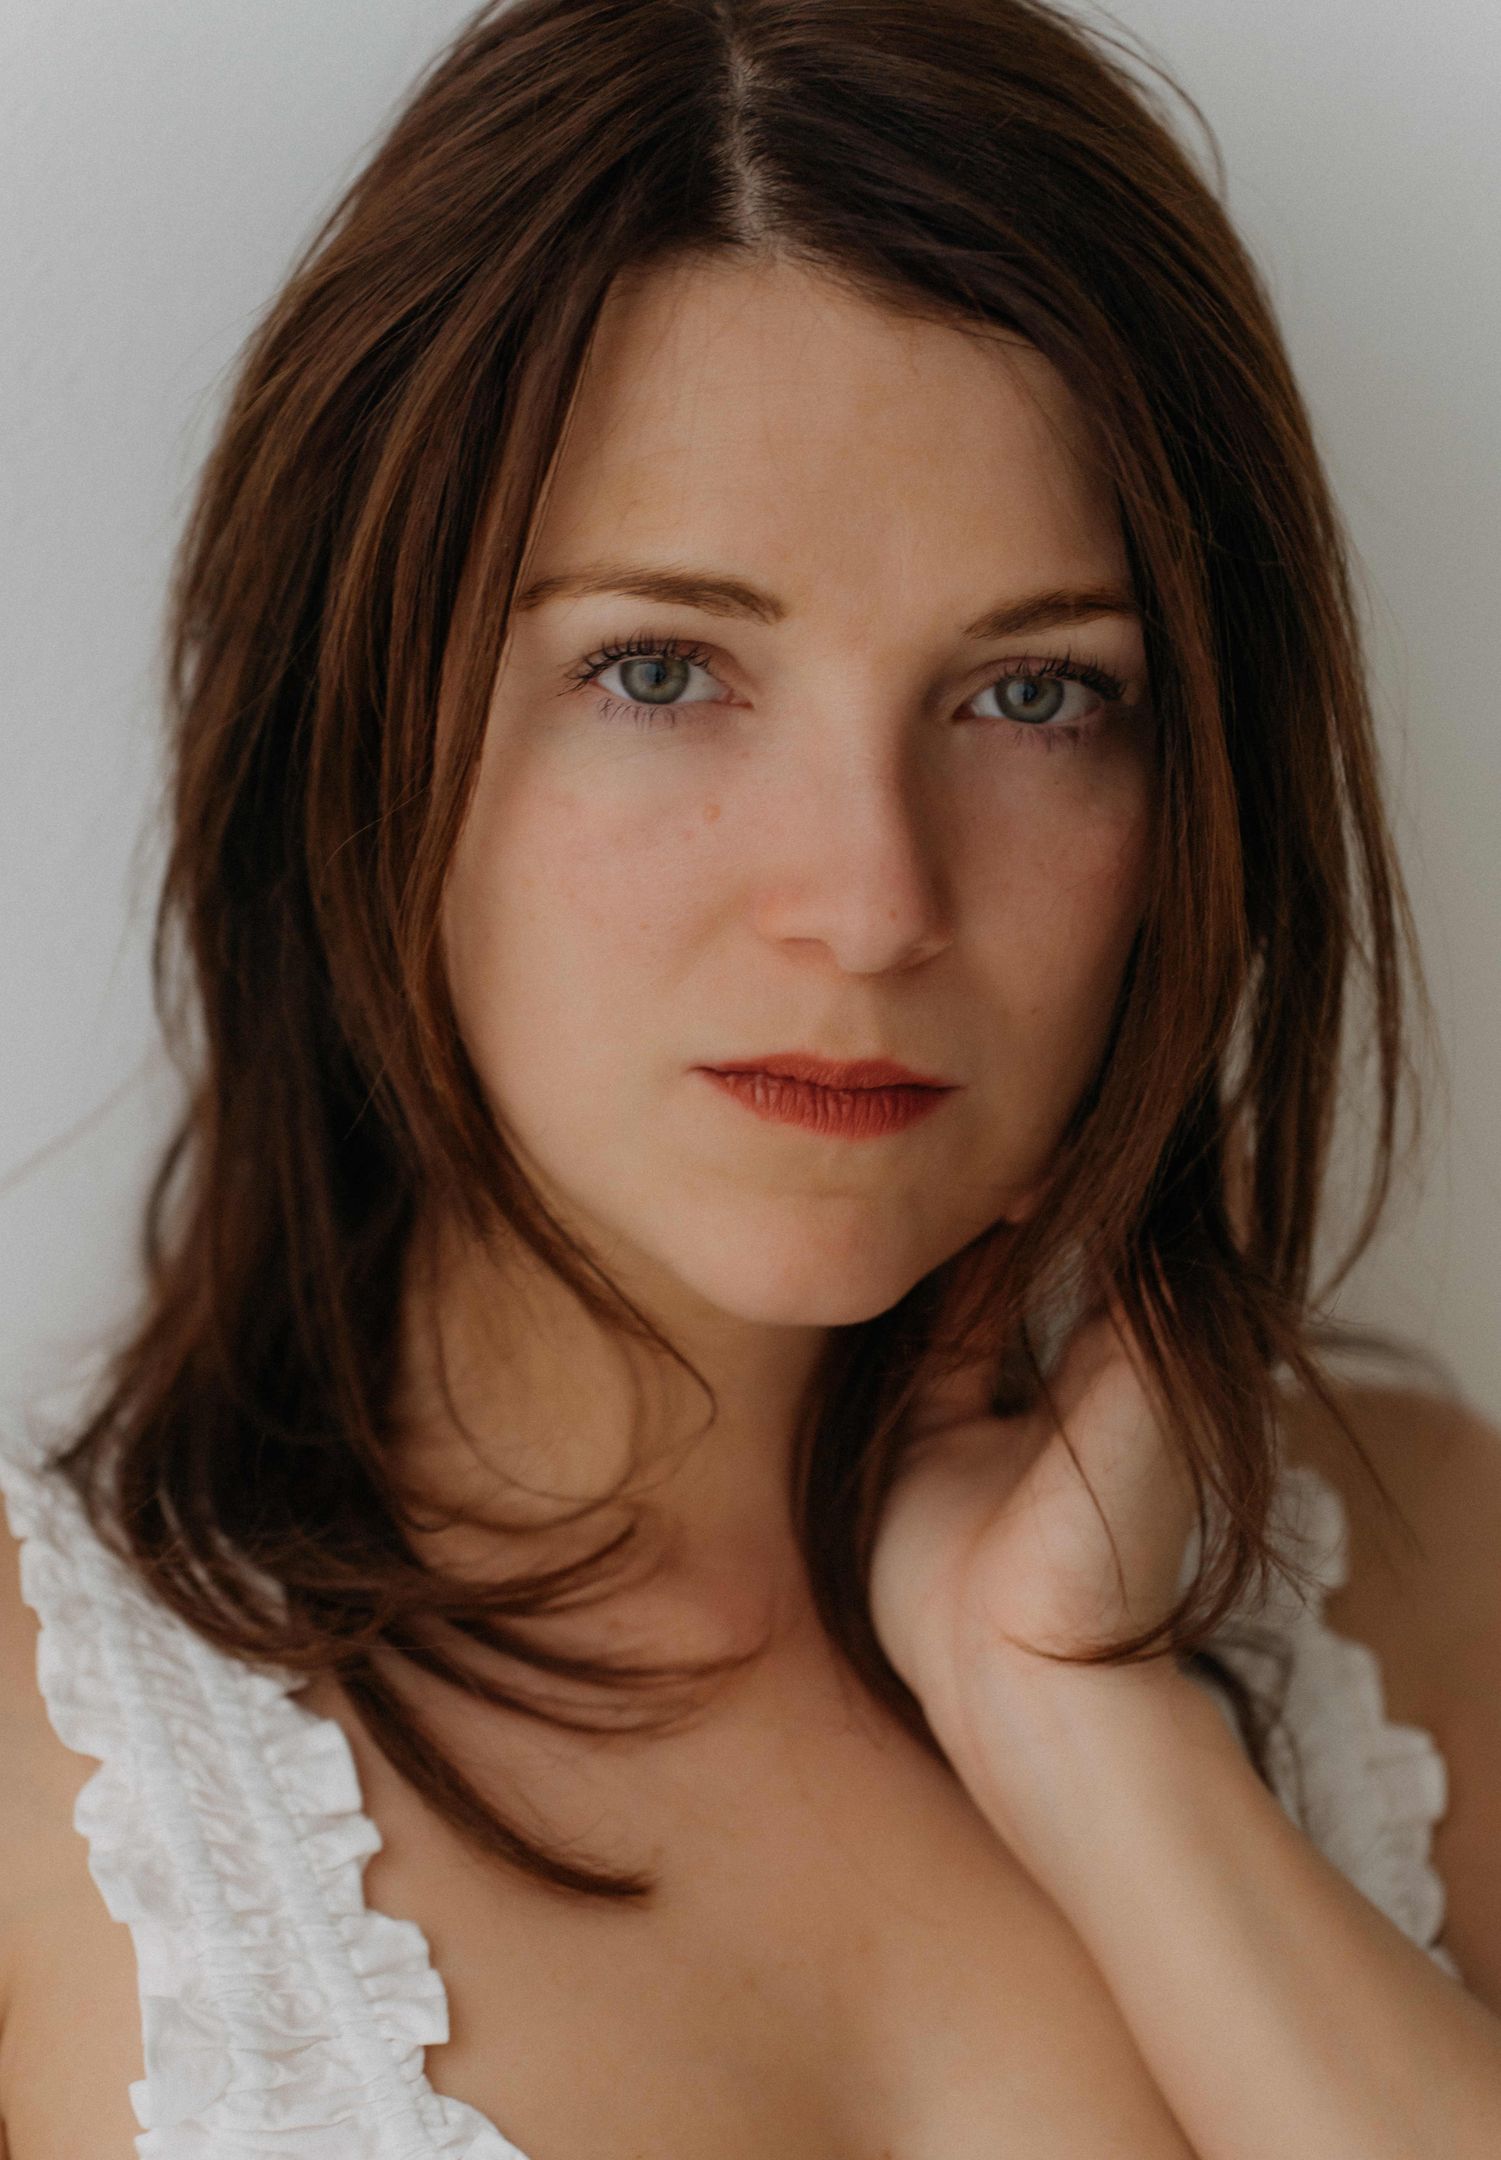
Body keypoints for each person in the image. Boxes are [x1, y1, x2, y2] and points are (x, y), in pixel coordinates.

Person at [2, 0, 1500, 2152]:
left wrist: (1091, 1738)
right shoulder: (39, 1763)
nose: (872, 903)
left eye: (1034, 695)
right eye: (659, 667)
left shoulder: (1426, 1593)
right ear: (359, 723)